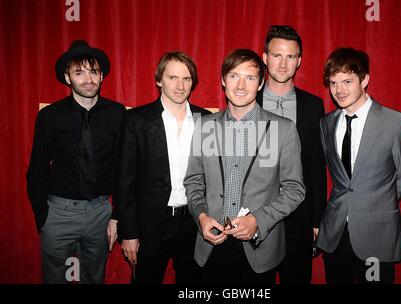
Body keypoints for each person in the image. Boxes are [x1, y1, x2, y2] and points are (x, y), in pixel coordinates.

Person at [184, 49, 306, 284]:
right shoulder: (206, 127)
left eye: (250, 78)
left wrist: (258, 221)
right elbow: (194, 182)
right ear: (223, 80)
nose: (240, 85)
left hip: (260, 250)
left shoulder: (282, 129)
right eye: (233, 76)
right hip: (212, 244)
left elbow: (294, 190)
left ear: (260, 83)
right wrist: (200, 216)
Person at [316, 47, 401, 284]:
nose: (339, 90)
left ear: (365, 80)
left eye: (347, 81)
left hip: (377, 233)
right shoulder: (326, 124)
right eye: (333, 83)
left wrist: (376, 199)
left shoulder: (396, 123)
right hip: (335, 232)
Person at [26, 40, 125, 283]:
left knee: (94, 278)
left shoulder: (117, 113)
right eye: (79, 72)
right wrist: (44, 216)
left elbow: (124, 169)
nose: (88, 79)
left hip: (101, 211)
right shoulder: (50, 116)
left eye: (93, 72)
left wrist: (117, 215)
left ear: (102, 76)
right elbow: (37, 169)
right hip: (58, 212)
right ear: (68, 78)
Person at [115, 51, 210, 284]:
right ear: (159, 80)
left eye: (186, 79)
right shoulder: (137, 120)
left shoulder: (206, 120)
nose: (180, 86)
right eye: (172, 78)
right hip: (151, 223)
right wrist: (129, 232)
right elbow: (124, 181)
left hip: (194, 221)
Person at [257, 25, 327, 284]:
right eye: (277, 55)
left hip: (299, 217)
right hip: (255, 217)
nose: (283, 63)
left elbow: (317, 167)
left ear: (299, 61)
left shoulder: (313, 105)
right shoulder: (245, 100)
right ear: (264, 57)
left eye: (290, 57)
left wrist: (317, 219)